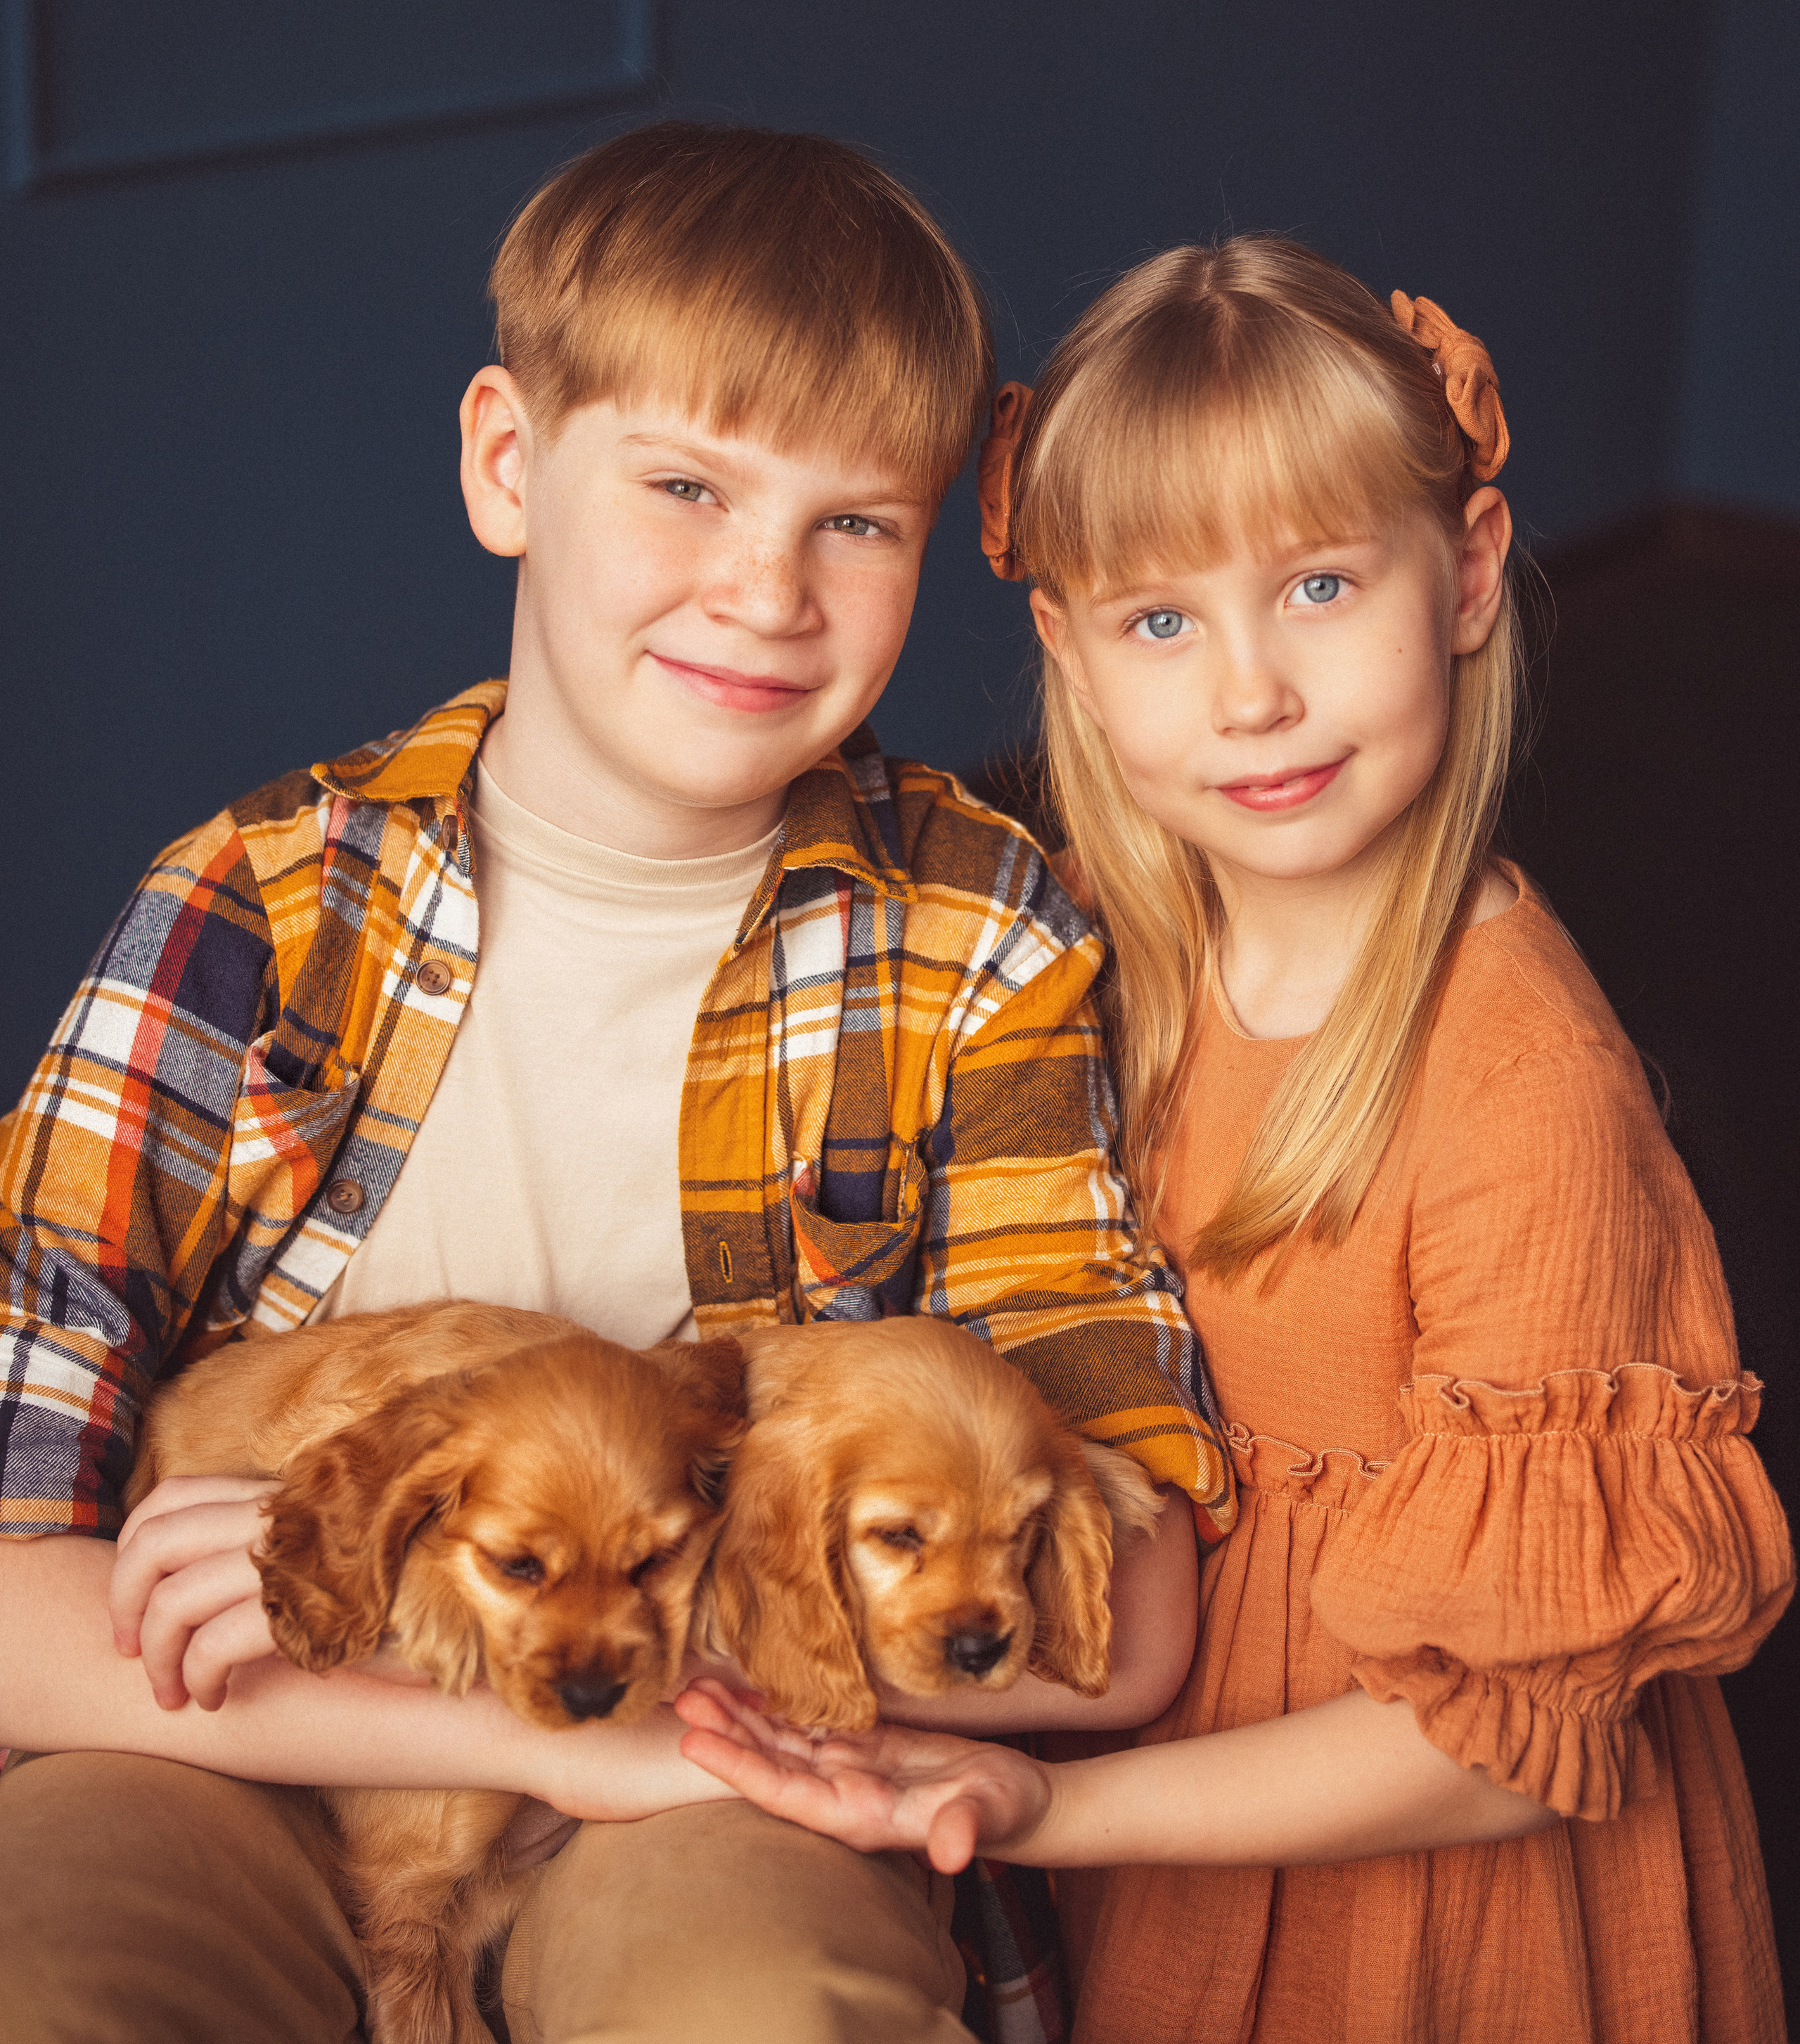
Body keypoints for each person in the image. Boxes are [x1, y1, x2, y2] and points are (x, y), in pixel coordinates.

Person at [0, 125, 1235, 2044]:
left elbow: (1124, 1617)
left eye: (858, 523)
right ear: (509, 462)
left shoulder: (978, 935)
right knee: (49, 1974)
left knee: (763, 2002)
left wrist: (621, 1701)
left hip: (720, 1771)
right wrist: (484, 1713)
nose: (766, 588)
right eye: (685, 484)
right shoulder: (256, 905)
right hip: (233, 1738)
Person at [677, 236, 1795, 2043]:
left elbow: (1494, 1747)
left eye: (1319, 584)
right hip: (1172, 1836)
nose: (1250, 691)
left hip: (1425, 1911)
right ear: (1066, 647)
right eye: (1160, 621)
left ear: (1468, 574)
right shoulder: (1079, 960)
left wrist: (1045, 1805)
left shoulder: (1522, 1084)